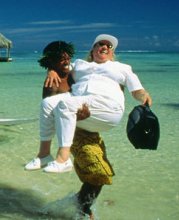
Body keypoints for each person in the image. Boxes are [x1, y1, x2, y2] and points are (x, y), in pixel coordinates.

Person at [39, 34, 152, 174]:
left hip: (107, 106)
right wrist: (50, 71)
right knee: (48, 103)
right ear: (93, 49)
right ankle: (43, 155)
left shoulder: (121, 68)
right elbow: (61, 67)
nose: (105, 47)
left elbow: (136, 90)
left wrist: (144, 95)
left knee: (66, 104)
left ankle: (63, 159)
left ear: (112, 53)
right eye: (101, 44)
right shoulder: (79, 65)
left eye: (109, 46)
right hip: (80, 105)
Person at [24, 41, 90, 170]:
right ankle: (45, 155)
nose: (66, 62)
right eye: (61, 59)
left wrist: (51, 69)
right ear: (51, 61)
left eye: (68, 58)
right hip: (73, 129)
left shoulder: (74, 72)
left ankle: (46, 156)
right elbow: (50, 117)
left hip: (84, 121)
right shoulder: (52, 84)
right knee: (85, 166)